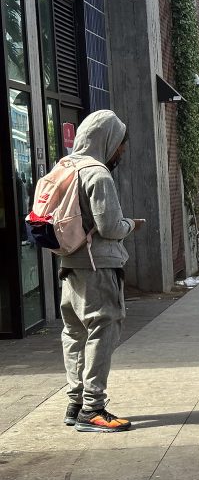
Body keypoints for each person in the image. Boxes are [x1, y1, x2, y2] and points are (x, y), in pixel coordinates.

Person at [59, 110, 144, 432]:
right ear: (108, 140)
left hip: (69, 264)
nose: (121, 150)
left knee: (74, 333)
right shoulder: (98, 174)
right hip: (98, 264)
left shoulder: (64, 167)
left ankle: (75, 402)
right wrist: (131, 225)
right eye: (120, 144)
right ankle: (93, 409)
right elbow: (109, 226)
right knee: (102, 331)